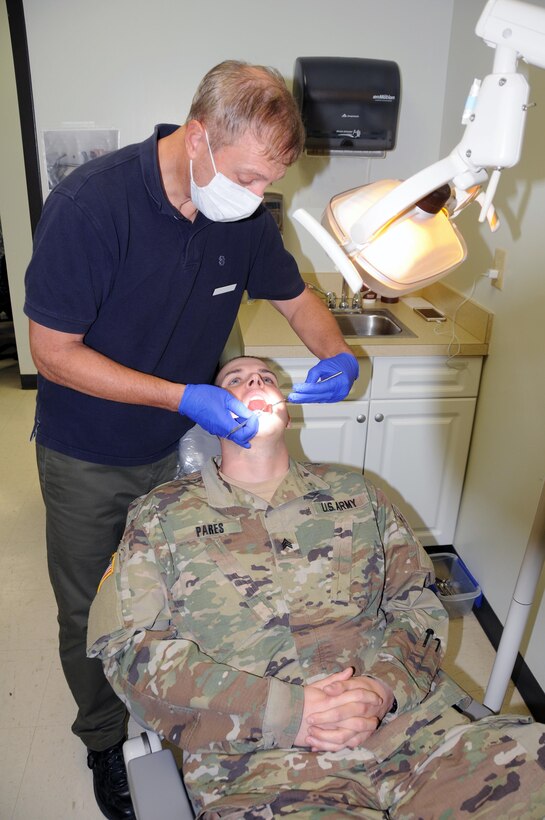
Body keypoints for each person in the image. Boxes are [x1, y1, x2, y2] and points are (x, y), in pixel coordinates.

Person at [23, 61, 358, 819]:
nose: (248, 197)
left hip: (185, 446)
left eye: (263, 183)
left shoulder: (241, 216)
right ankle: (104, 739)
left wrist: (336, 353)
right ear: (197, 135)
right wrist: (183, 395)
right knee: (94, 607)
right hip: (91, 448)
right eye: (241, 176)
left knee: (191, 587)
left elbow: (295, 296)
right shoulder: (91, 206)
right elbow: (53, 353)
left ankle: (188, 707)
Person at [88, 356, 545, 819]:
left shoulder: (356, 493)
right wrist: (290, 713)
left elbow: (418, 600)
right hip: (257, 766)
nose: (256, 381)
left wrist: (382, 687)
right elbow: (130, 651)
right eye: (236, 380)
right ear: (210, 412)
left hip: (417, 728)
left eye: (267, 377)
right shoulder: (160, 516)